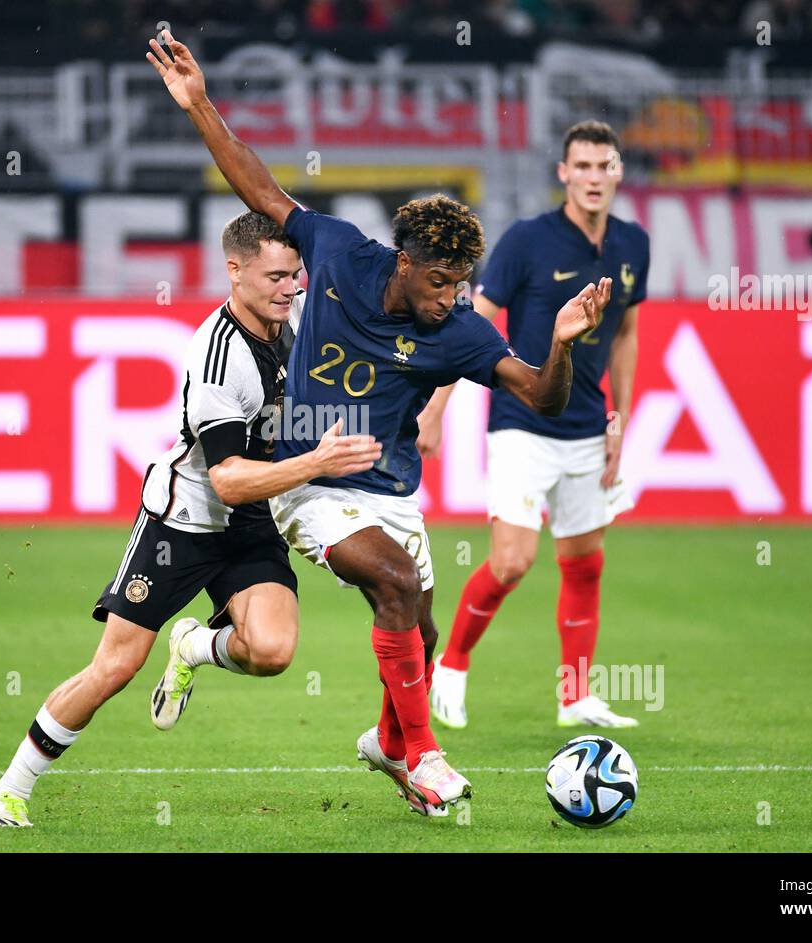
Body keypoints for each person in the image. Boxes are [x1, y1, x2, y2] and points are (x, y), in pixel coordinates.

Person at [147, 30, 608, 816]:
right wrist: (201, 107)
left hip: (393, 490)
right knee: (396, 581)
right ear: (402, 261)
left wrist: (560, 344)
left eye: (460, 283)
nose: (449, 297)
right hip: (314, 479)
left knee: (418, 635)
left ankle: (386, 743)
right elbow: (257, 188)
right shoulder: (335, 252)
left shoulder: (458, 328)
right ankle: (424, 756)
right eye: (438, 281)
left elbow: (539, 395)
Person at [0, 211, 381, 827]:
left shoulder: (295, 322)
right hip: (184, 521)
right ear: (234, 270)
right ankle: (8, 789)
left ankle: (194, 645)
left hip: (251, 521)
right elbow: (226, 478)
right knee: (117, 666)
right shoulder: (218, 356)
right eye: (275, 276)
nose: (289, 288)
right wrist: (317, 462)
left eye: (295, 274)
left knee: (271, 651)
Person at [423, 120, 648, 730]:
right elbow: (474, 327)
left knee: (583, 564)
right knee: (514, 561)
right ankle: (453, 662)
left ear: (618, 172)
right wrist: (436, 408)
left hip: (586, 427)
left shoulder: (633, 246)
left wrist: (618, 420)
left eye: (605, 166)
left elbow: (625, 334)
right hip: (522, 420)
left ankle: (575, 696)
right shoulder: (527, 240)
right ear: (564, 174)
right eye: (583, 166)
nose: (594, 177)